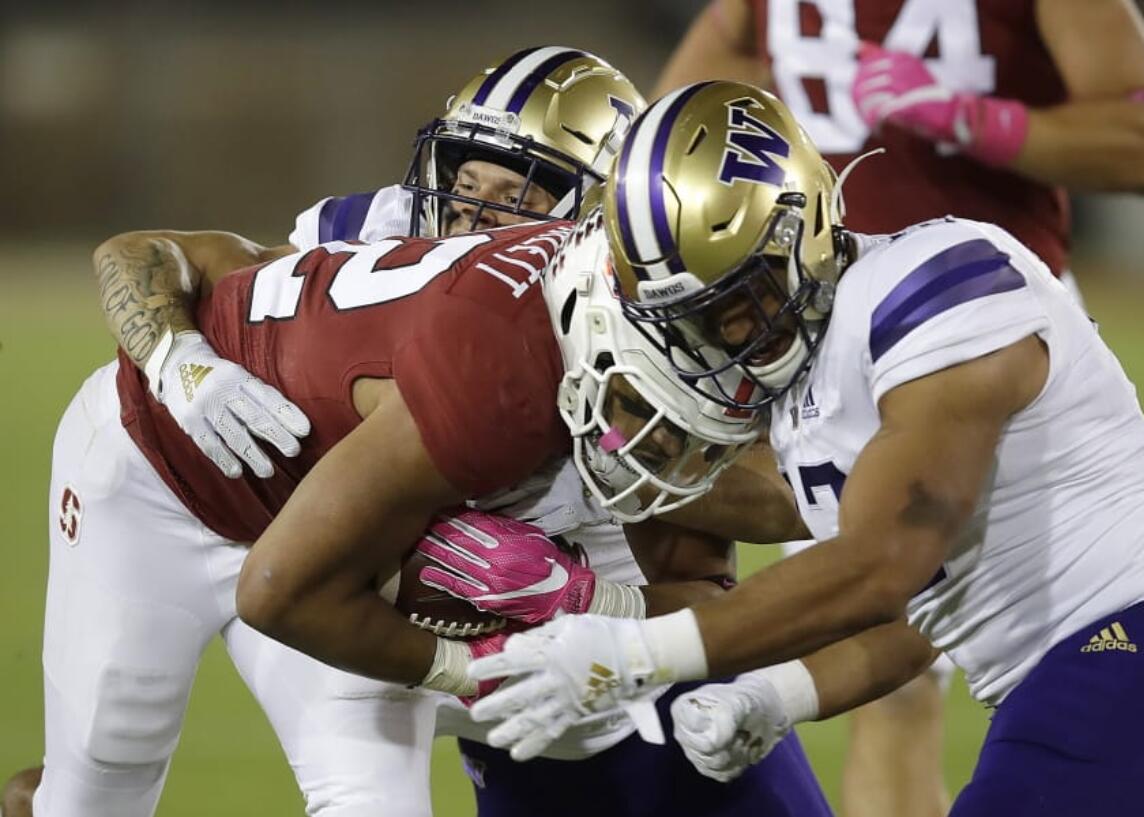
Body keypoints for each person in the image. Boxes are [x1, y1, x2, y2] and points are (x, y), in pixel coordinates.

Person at [15, 51, 831, 817]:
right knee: (94, 785)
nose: (473, 211)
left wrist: (583, 598)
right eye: (464, 178)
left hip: (366, 529)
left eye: (517, 195)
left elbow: (730, 547)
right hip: (211, 490)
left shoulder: (634, 316)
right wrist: (178, 358)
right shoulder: (440, 299)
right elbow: (164, 259)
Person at [463, 81, 1144, 817]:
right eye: (691, 318)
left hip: (1142, 645)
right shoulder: (804, 392)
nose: (724, 335)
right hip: (1106, 672)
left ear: (807, 225)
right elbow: (927, 616)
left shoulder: (936, 282)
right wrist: (779, 694)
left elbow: (882, 564)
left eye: (739, 297)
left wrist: (633, 653)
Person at [652, 3, 1144, 812]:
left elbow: (1143, 147)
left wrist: (975, 120)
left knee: (1031, 619)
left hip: (978, 324)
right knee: (888, 660)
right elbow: (672, 133)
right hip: (813, 345)